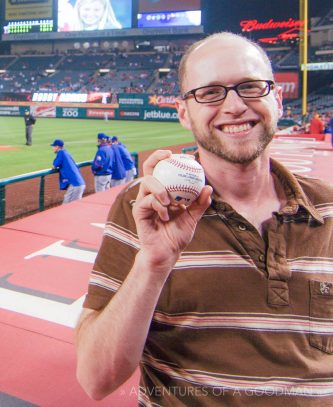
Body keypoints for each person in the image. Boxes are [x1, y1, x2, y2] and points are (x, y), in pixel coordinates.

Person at [75, 32, 333, 406]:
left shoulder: (327, 207)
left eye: (250, 86)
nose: (234, 106)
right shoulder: (143, 208)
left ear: (277, 99)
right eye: (210, 92)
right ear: (183, 113)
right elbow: (96, 379)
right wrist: (152, 264)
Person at [51, 139, 86, 204]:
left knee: (67, 205)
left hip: (76, 184)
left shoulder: (61, 153)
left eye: (53, 146)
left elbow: (54, 165)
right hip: (77, 183)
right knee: (73, 205)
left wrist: (55, 165)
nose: (52, 148)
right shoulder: (66, 153)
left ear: (57, 147)